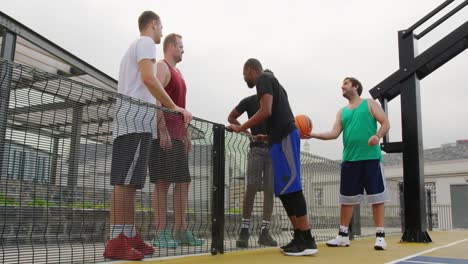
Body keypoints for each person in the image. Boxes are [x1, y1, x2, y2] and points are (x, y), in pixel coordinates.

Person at [103, 12, 192, 261]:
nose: (162, 32)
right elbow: (149, 79)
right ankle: (116, 240)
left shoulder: (139, 46)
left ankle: (128, 235)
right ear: (153, 24)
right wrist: (173, 107)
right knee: (123, 182)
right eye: (161, 27)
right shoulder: (144, 42)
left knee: (130, 183)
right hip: (133, 121)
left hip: (137, 123)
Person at [227, 58, 318, 256]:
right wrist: (265, 136)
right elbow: (277, 115)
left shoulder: (264, 78)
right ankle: (299, 236)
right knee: (284, 190)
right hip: (276, 140)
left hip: (285, 138)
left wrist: (241, 127)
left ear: (251, 70)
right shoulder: (274, 86)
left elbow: (266, 111)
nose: (244, 78)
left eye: (244, 74)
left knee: (293, 188)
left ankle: (308, 239)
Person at [304, 77, 390, 250]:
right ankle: (343, 235)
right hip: (350, 160)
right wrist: (312, 135)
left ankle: (380, 236)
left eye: (345, 83)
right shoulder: (342, 112)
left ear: (355, 86)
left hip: (371, 158)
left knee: (377, 198)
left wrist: (377, 136)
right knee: (347, 200)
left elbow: (386, 123)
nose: (341, 86)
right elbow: (333, 133)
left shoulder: (370, 103)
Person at [150, 33, 204, 248]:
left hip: (178, 136)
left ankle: (180, 230)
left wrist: (186, 134)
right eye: (180, 46)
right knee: (163, 183)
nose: (183, 50)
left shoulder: (179, 73)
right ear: (171, 46)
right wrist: (162, 130)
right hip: (164, 135)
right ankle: (161, 232)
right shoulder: (162, 67)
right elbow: (156, 98)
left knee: (183, 183)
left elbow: (180, 107)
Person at [228, 92, 277, 248]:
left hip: (273, 150)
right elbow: (231, 117)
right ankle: (244, 230)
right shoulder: (249, 101)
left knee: (270, 190)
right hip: (255, 149)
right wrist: (248, 133)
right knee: (251, 187)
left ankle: (264, 231)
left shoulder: (277, 103)